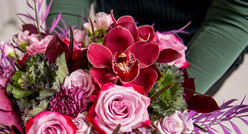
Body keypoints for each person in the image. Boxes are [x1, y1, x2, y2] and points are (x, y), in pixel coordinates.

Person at [46, 0, 248, 95]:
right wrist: (64, 61)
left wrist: (170, 103)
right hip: (113, 35)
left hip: (197, 44)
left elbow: (235, 14)